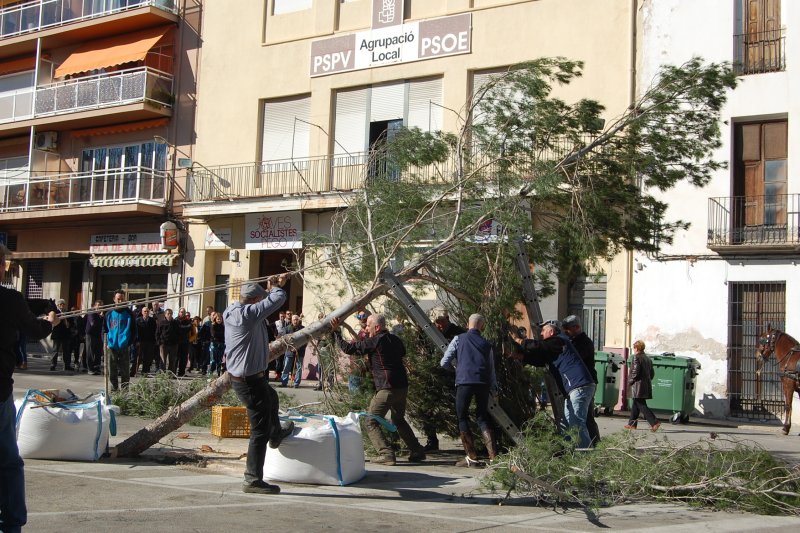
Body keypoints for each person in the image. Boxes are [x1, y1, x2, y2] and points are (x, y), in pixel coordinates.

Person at [0, 243, 59, 533]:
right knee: (8, 462)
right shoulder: (9, 299)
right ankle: (11, 524)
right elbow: (33, 330)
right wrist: (50, 323)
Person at [224, 276, 294, 494]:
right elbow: (277, 299)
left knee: (272, 397)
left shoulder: (233, 310)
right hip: (249, 382)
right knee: (259, 431)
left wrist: (270, 287)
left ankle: (276, 433)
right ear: (254, 300)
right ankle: (252, 479)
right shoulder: (247, 315)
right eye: (259, 300)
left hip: (248, 378)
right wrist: (276, 287)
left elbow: (266, 302)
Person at [330, 313, 426, 466]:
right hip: (401, 386)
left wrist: (336, 332)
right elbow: (402, 352)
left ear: (377, 327)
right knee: (398, 420)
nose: (366, 328)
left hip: (387, 387)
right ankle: (417, 450)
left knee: (371, 420)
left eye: (368, 325)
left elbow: (348, 348)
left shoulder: (375, 340)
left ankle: (386, 454)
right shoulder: (395, 339)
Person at [513, 322, 596, 448]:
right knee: (566, 423)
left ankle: (585, 454)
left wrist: (518, 340)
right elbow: (539, 360)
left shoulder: (558, 340)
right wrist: (520, 356)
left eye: (543, 330)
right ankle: (569, 452)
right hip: (574, 388)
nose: (541, 334)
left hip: (578, 386)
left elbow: (537, 346)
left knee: (576, 424)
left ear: (551, 332)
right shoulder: (553, 349)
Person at [440, 313, 498, 467]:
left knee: (462, 417)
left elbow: (444, 362)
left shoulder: (459, 339)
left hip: (464, 381)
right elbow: (491, 369)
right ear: (482, 326)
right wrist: (494, 389)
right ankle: (493, 457)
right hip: (483, 382)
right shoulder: (487, 344)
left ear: (468, 324)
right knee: (482, 417)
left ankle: (471, 457)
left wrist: (456, 370)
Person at [421, 313, 467, 452]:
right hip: (436, 376)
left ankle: (469, 443)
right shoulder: (430, 333)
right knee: (427, 408)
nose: (439, 325)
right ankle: (432, 440)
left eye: (441, 321)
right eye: (436, 322)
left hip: (453, 376)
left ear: (447, 318)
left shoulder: (459, 333)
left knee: (460, 410)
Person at [562, 314, 601, 445]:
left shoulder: (584, 342)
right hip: (579, 382)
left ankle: (595, 443)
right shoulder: (573, 341)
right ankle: (590, 443)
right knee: (583, 416)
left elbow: (576, 359)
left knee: (586, 417)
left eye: (567, 329)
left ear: (577, 327)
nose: (565, 332)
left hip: (585, 382)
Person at [625, 340, 661, 432]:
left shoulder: (636, 358)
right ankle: (632, 424)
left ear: (637, 348)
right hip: (645, 385)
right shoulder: (648, 359)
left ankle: (654, 422)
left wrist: (630, 381)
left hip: (637, 386)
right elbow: (652, 374)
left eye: (634, 348)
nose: (634, 349)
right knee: (636, 403)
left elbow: (635, 372)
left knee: (641, 404)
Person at [105, 291, 136, 391]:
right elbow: (104, 330)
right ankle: (114, 390)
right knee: (112, 370)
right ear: (114, 299)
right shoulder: (109, 313)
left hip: (124, 346)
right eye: (118, 299)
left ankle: (125, 391)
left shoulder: (129, 313)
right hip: (111, 346)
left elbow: (134, 330)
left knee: (125, 371)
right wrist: (106, 343)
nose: (120, 301)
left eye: (122, 299)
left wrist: (128, 343)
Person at [280, 314, 306, 388]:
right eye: (294, 320)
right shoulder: (287, 328)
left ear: (299, 320)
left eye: (297, 319)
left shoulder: (303, 329)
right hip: (289, 351)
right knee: (286, 367)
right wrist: (290, 347)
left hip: (300, 352)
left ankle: (296, 383)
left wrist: (299, 347)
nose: (295, 321)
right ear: (291, 320)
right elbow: (284, 340)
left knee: (299, 368)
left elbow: (305, 340)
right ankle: (284, 382)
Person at [50, 298, 73, 371]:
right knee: (55, 350)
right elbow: (52, 322)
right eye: (60, 304)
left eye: (63, 304)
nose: (62, 305)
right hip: (57, 334)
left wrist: (66, 319)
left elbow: (71, 324)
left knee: (66, 351)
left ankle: (67, 365)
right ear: (57, 305)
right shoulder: (55, 312)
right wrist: (60, 317)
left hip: (65, 334)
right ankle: (53, 365)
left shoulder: (68, 312)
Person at [157, 309, 180, 374]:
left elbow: (179, 333)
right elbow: (157, 333)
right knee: (163, 360)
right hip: (164, 344)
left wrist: (177, 341)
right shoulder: (161, 323)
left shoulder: (175, 323)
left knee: (172, 360)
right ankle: (162, 374)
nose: (169, 315)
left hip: (173, 344)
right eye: (168, 314)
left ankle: (171, 374)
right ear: (165, 315)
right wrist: (159, 342)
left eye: (171, 314)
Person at [136, 306, 158, 374]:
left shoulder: (152, 321)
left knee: (147, 357)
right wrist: (136, 341)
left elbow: (155, 331)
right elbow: (136, 331)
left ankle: (145, 371)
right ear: (142, 312)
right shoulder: (138, 320)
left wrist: (154, 341)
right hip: (140, 341)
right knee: (138, 357)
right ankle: (135, 371)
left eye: (147, 311)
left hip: (150, 341)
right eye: (145, 311)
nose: (146, 312)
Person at [85, 300, 104, 375]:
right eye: (98, 305)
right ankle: (90, 368)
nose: (100, 307)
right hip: (91, 335)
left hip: (98, 335)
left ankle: (97, 367)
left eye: (101, 305)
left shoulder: (101, 314)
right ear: (95, 306)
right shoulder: (92, 312)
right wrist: (101, 317)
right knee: (90, 352)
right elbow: (93, 324)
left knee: (98, 352)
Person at [208, 312, 225, 377]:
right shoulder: (213, 325)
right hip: (214, 344)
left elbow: (224, 335)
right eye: (218, 319)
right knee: (213, 360)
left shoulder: (223, 326)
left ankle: (218, 373)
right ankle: (210, 373)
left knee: (219, 360)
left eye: (220, 319)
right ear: (215, 319)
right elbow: (213, 334)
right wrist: (219, 336)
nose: (219, 320)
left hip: (221, 344)